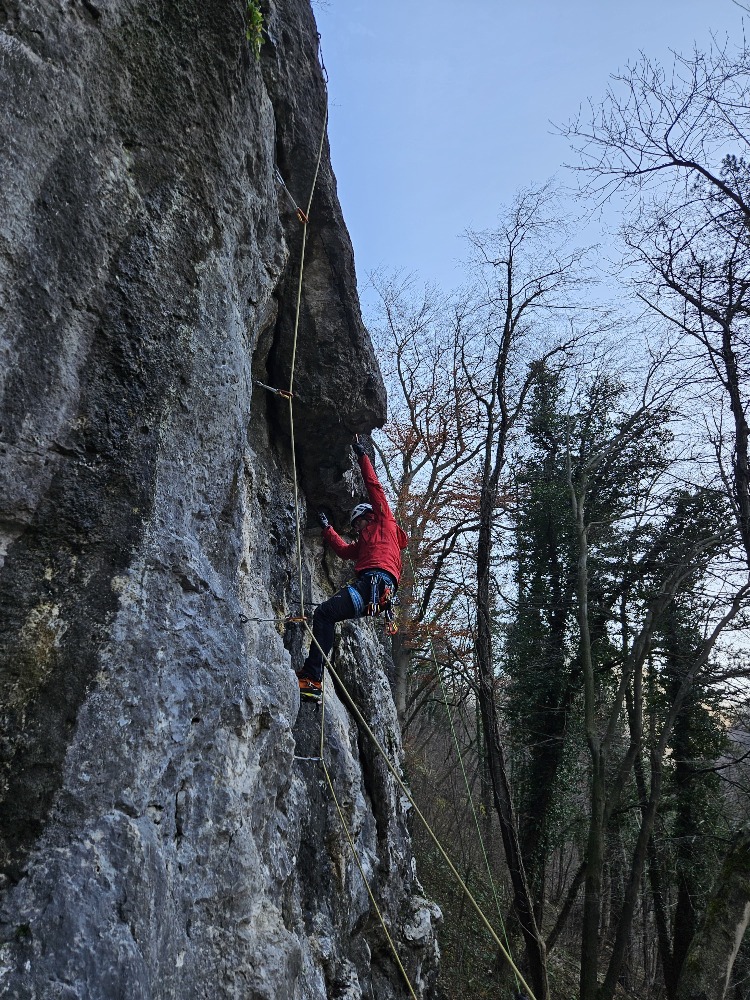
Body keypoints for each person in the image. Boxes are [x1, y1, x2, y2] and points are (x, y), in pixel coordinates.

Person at [296, 438, 409, 702]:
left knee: (324, 614)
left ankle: (312, 679)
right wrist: (327, 528)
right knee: (326, 615)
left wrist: (362, 457)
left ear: (369, 517)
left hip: (375, 583)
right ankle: (312, 679)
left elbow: (374, 487)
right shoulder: (366, 543)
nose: (356, 529)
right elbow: (344, 551)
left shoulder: (385, 522)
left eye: (358, 524)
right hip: (377, 593)